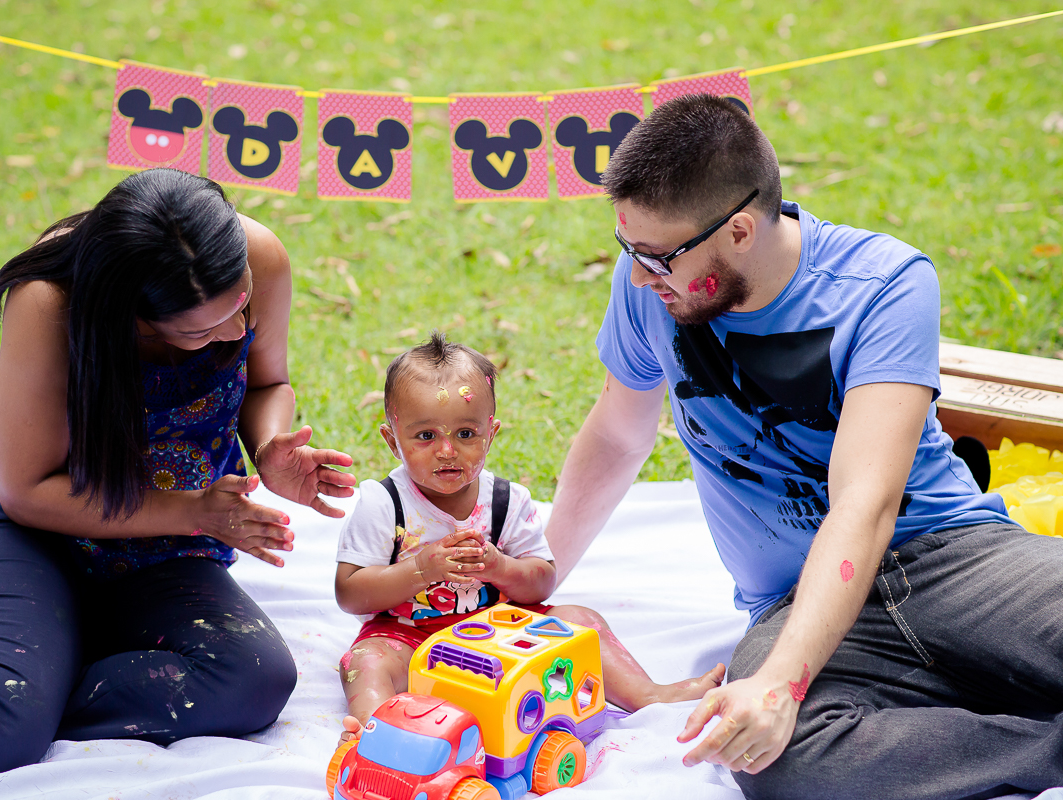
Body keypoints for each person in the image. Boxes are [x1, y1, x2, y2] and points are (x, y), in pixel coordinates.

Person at [543, 93, 1063, 800]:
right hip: (795, 607)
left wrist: (781, 684)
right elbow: (617, 428)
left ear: (738, 231)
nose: (639, 275)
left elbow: (865, 502)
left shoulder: (882, 283)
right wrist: (541, 570)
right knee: (770, 757)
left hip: (954, 560)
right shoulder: (651, 289)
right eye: (627, 249)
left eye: (658, 256)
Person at [0, 168, 356, 775]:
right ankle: (9, 697)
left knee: (252, 680)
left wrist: (272, 445)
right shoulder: (50, 300)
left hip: (159, 550)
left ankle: (25, 683)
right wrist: (198, 511)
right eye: (202, 330)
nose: (237, 331)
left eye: (242, 305)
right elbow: (27, 492)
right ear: (133, 318)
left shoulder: (258, 256)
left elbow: (268, 382)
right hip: (25, 530)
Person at [332, 332, 726, 744]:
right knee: (365, 661)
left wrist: (501, 567)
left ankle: (647, 695)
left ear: (491, 433)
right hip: (410, 640)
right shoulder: (384, 503)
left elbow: (542, 581)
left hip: (502, 638)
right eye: (425, 436)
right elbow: (350, 593)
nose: (447, 451)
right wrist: (419, 569)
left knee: (579, 620)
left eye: (466, 434)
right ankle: (376, 734)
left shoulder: (506, 501)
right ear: (392, 440)